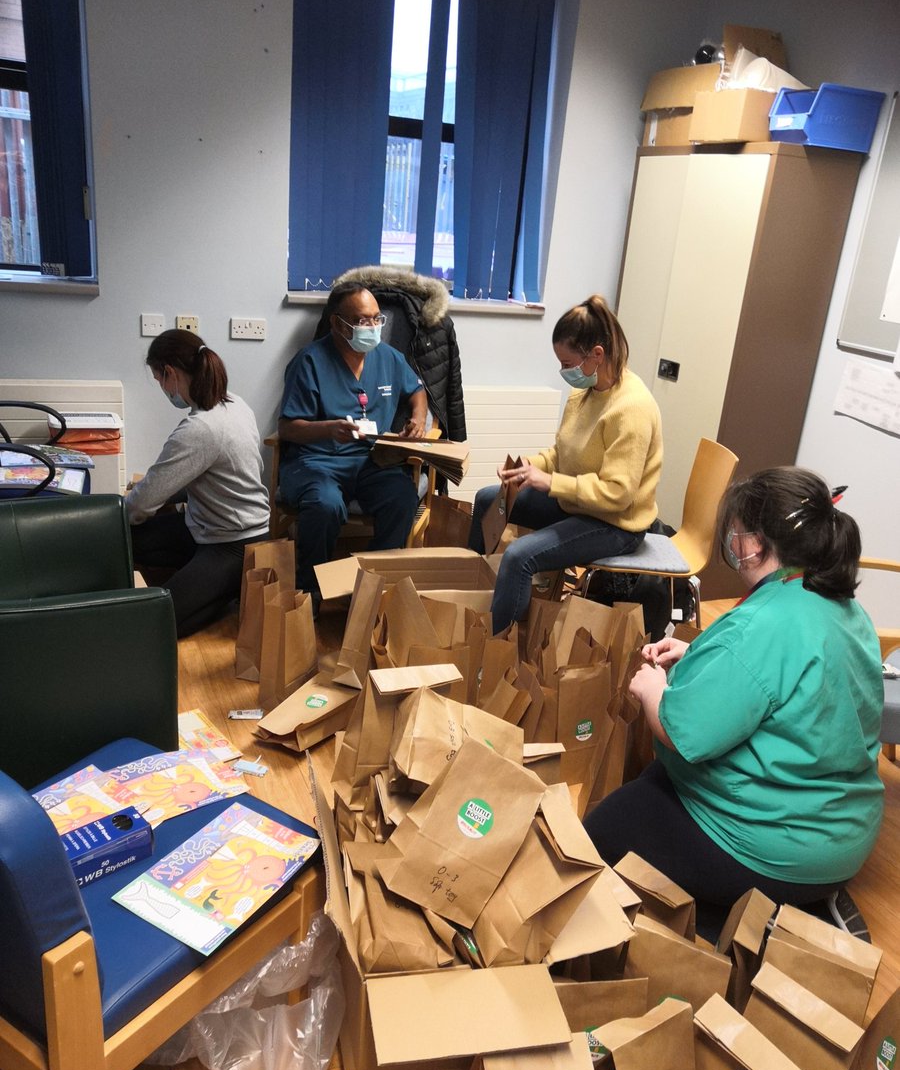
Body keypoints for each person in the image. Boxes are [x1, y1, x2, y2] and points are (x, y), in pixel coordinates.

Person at [584, 466, 885, 935]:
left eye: (738, 532)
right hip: (844, 834)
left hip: (773, 848)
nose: (733, 541)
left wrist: (652, 690)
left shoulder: (757, 625)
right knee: (654, 784)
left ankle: (759, 923)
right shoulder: (843, 606)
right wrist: (698, 652)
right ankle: (789, 905)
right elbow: (788, 683)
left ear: (756, 542)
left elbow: (681, 734)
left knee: (600, 834)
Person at [468, 294, 662, 634]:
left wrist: (550, 482)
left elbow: (618, 494)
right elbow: (562, 454)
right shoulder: (584, 394)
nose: (564, 371)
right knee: (488, 499)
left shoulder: (631, 408)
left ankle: (498, 647)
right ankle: (470, 599)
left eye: (568, 363)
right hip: (578, 505)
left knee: (519, 557)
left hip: (616, 524)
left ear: (597, 355)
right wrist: (530, 466)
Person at [278, 281, 427, 598]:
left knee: (402, 499)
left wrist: (417, 418)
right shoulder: (310, 362)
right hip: (317, 462)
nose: (372, 327)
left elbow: (417, 390)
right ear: (336, 323)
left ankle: (368, 587)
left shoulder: (387, 357)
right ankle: (311, 592)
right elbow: (288, 428)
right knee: (325, 505)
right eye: (362, 321)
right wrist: (328, 429)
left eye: (376, 319)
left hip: (371, 461)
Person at [125, 329, 271, 638]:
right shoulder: (235, 404)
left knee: (152, 625)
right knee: (129, 542)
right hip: (212, 529)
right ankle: (214, 594)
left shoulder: (200, 429)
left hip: (233, 546)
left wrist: (112, 517)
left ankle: (222, 591)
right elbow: (199, 477)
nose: (163, 389)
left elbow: (139, 506)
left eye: (159, 380)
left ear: (170, 373)